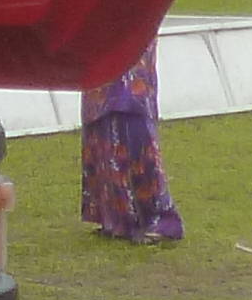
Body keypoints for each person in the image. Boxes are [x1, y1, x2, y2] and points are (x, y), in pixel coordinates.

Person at [76, 46, 185, 244]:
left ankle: (156, 219)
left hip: (129, 35)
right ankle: (116, 218)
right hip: (99, 37)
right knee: (101, 118)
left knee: (129, 112)